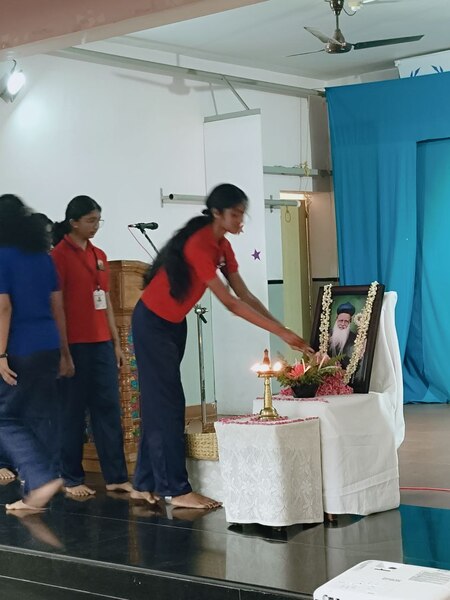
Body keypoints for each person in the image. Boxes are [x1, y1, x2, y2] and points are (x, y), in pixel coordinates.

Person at [131, 183, 313, 509]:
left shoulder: (222, 245)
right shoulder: (199, 244)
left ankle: (143, 484)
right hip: (152, 324)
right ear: (217, 213)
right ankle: (177, 490)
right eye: (235, 214)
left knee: (161, 403)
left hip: (174, 324)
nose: (241, 220)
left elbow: (245, 294)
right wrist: (281, 333)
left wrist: (282, 329)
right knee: (168, 404)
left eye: (243, 214)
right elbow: (229, 303)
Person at [52, 195, 132, 498]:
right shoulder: (58, 256)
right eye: (90, 220)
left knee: (108, 410)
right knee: (72, 413)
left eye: (99, 220)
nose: (96, 226)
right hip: (74, 344)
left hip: (101, 345)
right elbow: (57, 306)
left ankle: (116, 477)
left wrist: (116, 343)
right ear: (74, 222)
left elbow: (106, 301)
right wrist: (63, 352)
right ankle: (71, 477)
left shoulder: (99, 255)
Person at [0, 194, 64, 510]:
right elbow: (57, 307)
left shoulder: (2, 257)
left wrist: (0, 355)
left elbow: (3, 308)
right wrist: (65, 353)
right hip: (49, 343)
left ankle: (39, 479)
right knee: (40, 415)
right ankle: (40, 486)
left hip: (19, 347)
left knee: (4, 418)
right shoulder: (43, 258)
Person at [328, 302, 356, 369]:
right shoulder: (327, 334)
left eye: (346, 321)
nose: (343, 324)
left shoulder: (354, 338)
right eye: (341, 320)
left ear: (350, 321)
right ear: (336, 319)